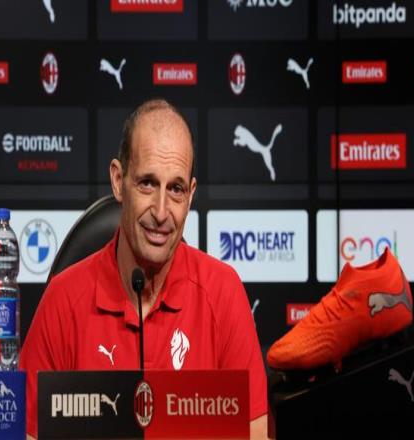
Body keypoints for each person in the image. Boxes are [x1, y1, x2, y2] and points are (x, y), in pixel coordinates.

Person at [20, 99, 268, 440]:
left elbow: (255, 434)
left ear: (191, 196)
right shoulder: (63, 300)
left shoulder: (223, 293)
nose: (161, 212)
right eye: (148, 183)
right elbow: (24, 433)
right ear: (118, 180)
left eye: (176, 189)